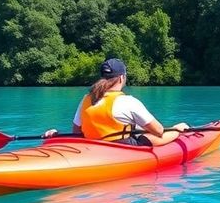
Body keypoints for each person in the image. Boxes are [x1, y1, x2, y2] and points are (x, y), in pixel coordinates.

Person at [44, 58, 191, 146]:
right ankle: (179, 129)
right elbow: (159, 131)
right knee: (150, 137)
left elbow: (77, 133)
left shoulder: (86, 99)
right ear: (121, 78)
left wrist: (59, 135)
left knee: (140, 134)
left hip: (92, 147)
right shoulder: (128, 102)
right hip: (122, 149)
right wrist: (176, 129)